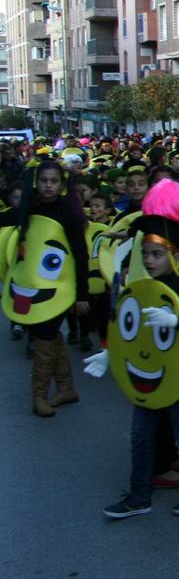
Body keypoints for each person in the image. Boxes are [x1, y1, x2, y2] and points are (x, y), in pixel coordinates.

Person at [100, 225, 179, 519]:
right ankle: (139, 497)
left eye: (157, 254)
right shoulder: (143, 290)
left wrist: (176, 320)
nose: (150, 260)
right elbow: (134, 333)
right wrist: (110, 354)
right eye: (146, 255)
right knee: (141, 435)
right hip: (148, 375)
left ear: (175, 257)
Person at [2, 161, 89, 417]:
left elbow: (80, 255)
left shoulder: (69, 213)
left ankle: (38, 395)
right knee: (50, 336)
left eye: (53, 181)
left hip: (60, 287)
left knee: (45, 337)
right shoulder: (28, 208)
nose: (48, 186)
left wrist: (82, 294)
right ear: (36, 182)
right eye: (43, 181)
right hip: (32, 286)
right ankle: (66, 388)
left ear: (61, 185)